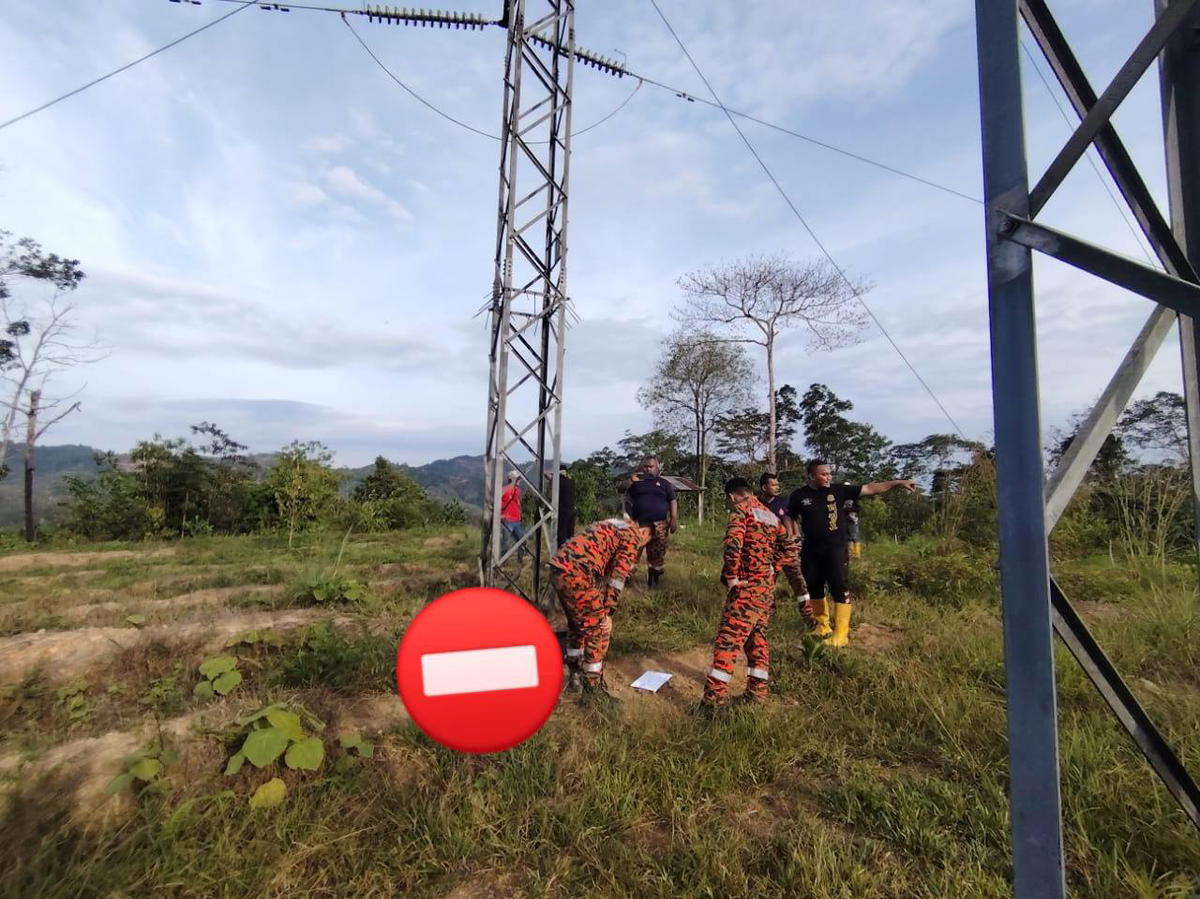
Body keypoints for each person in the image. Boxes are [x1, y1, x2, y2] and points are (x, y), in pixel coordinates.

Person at [786, 460, 916, 647]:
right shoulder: (799, 495)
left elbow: (871, 488)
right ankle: (823, 626)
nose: (829, 477)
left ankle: (841, 634)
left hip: (835, 549)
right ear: (812, 475)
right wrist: (793, 533)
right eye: (824, 474)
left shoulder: (839, 491)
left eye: (830, 473)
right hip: (811, 549)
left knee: (839, 586)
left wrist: (897, 483)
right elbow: (790, 515)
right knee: (814, 586)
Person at [700, 477, 797, 709]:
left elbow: (733, 544)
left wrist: (732, 577)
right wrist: (774, 566)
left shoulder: (741, 512)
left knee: (728, 642)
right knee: (757, 641)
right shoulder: (769, 515)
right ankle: (756, 694)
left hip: (745, 590)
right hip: (765, 590)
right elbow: (791, 548)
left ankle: (712, 702)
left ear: (732, 496)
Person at [549, 516, 652, 698]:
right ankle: (593, 690)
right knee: (598, 629)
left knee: (578, 623)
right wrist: (608, 612)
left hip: (559, 567)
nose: (640, 549)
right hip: (577, 573)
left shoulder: (613, 524)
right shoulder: (633, 535)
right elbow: (617, 578)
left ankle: (575, 674)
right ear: (645, 532)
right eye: (644, 543)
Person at [757, 472, 814, 628]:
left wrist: (795, 538)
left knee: (799, 583)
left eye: (777, 484)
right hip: (768, 553)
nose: (777, 487)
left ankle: (810, 618)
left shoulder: (784, 503)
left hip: (787, 550)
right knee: (767, 585)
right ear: (764, 487)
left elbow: (791, 521)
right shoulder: (756, 505)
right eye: (773, 485)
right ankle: (766, 620)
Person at [617, 455, 678, 588]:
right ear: (641, 467)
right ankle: (626, 583)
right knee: (632, 552)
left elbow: (672, 500)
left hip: (660, 524)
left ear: (657, 468)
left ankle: (653, 583)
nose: (648, 469)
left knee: (657, 554)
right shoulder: (636, 482)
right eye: (645, 466)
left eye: (651, 466)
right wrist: (630, 481)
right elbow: (620, 489)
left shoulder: (664, 483)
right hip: (639, 524)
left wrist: (673, 518)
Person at [500, 471, 526, 561]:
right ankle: (501, 562)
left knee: (522, 540)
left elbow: (518, 504)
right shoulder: (505, 490)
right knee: (505, 544)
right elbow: (497, 502)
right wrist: (500, 515)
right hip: (507, 520)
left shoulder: (517, 490)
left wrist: (521, 515)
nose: (519, 481)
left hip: (516, 520)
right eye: (517, 479)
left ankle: (520, 561)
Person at [555, 465, 577, 548]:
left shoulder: (559, 482)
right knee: (570, 534)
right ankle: (570, 550)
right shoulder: (571, 481)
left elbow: (552, 479)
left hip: (563, 511)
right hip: (572, 510)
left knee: (561, 533)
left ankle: (561, 552)